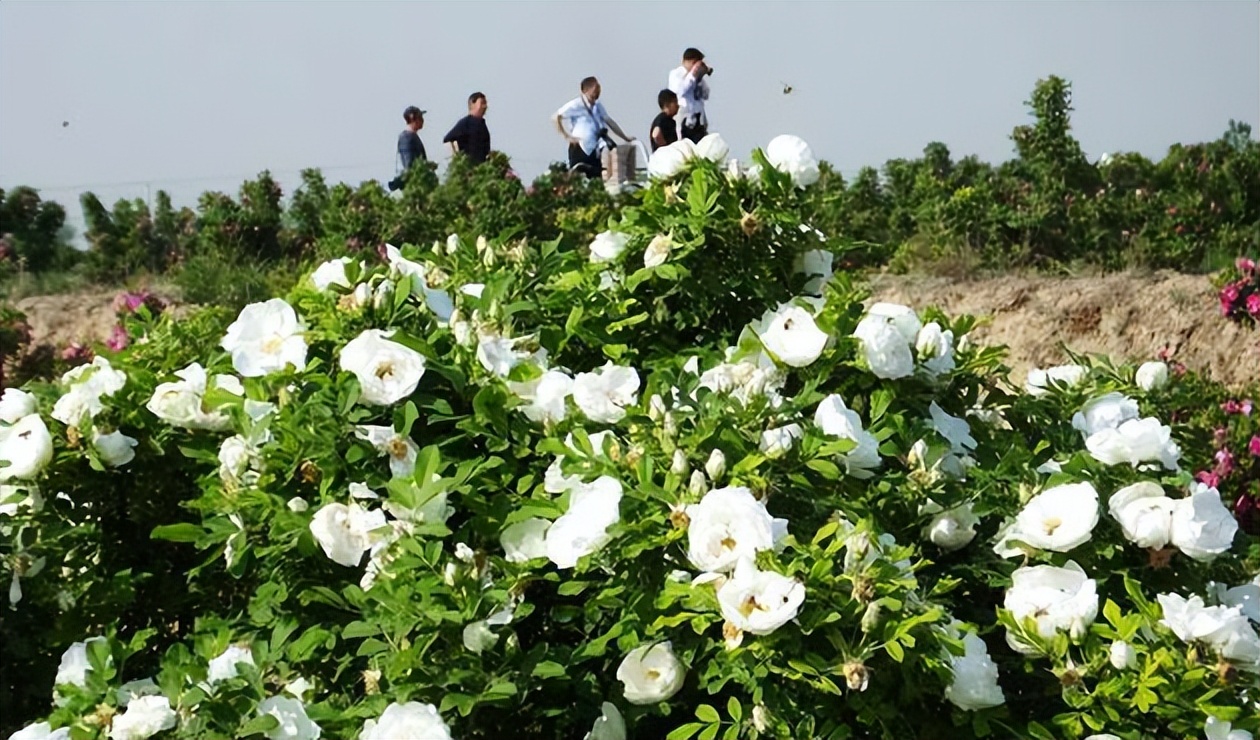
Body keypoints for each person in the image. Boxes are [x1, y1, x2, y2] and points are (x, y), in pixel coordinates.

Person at [554, 76, 635, 179]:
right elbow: (556, 117)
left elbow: (609, 121)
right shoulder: (576, 104)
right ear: (586, 90)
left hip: (594, 147)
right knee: (576, 175)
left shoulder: (597, 105)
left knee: (596, 175)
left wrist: (625, 137)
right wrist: (566, 136)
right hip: (579, 147)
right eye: (595, 89)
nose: (597, 92)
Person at [668, 47, 712, 143]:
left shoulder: (696, 78)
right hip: (684, 116)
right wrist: (692, 74)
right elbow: (680, 90)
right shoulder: (676, 74)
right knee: (684, 146)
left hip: (698, 118)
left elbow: (706, 94)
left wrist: (699, 79)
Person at [443, 92, 492, 165]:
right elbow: (448, 139)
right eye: (482, 103)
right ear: (473, 103)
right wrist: (458, 160)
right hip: (469, 168)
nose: (485, 106)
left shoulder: (482, 125)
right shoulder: (466, 123)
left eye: (485, 104)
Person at [389, 106, 427, 191]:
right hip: (411, 186)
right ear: (413, 118)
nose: (422, 120)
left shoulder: (412, 136)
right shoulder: (407, 138)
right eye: (420, 117)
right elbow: (409, 164)